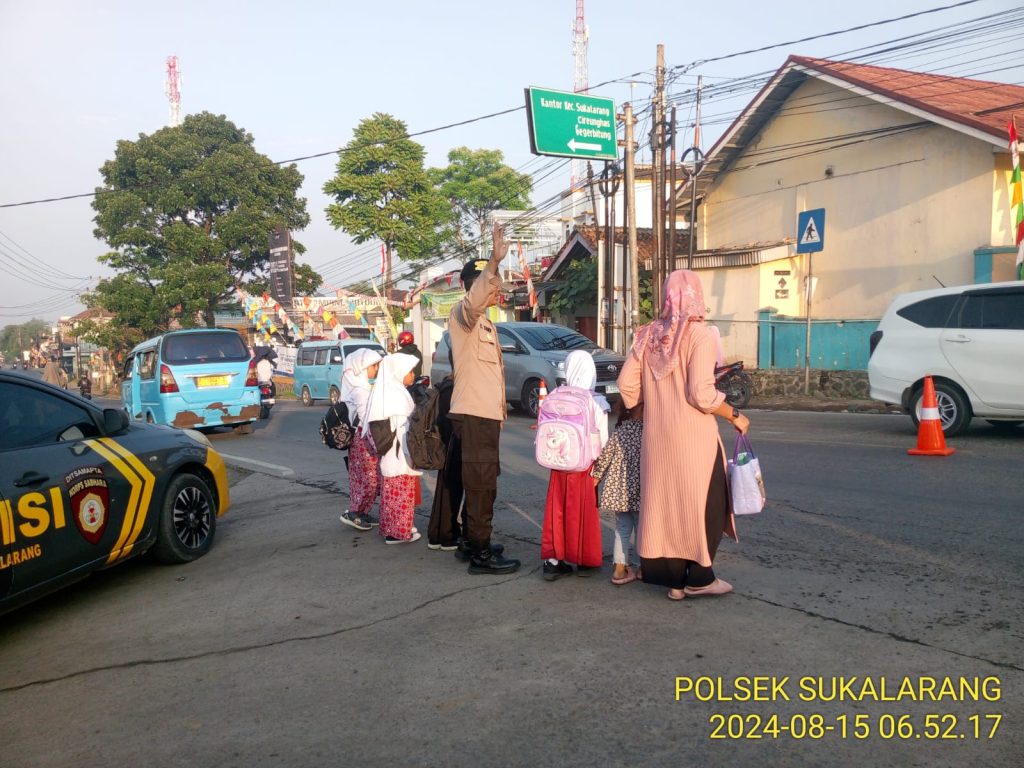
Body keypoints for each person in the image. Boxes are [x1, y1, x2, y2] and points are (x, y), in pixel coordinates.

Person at [617, 269, 750, 601]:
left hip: (657, 440)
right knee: (706, 506)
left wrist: (652, 409)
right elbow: (701, 394)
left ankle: (674, 582)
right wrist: (735, 415)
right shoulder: (700, 335)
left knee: (667, 507)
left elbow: (625, 385)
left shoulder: (647, 335)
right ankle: (701, 578)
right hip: (694, 441)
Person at [447, 223, 521, 575]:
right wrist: (493, 260)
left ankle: (469, 540)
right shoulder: (463, 316)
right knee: (481, 483)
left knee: (479, 480)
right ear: (472, 286)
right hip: (475, 416)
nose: (495, 292)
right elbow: (476, 298)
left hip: (484, 416)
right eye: (490, 286)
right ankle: (480, 552)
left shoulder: (486, 326)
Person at [538, 350, 609, 580]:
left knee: (556, 511)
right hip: (585, 467)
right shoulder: (595, 401)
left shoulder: (555, 395)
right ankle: (584, 559)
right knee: (582, 512)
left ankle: (552, 560)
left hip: (558, 463)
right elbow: (603, 439)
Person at [361, 353, 422, 544]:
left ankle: (390, 529)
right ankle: (399, 533)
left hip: (389, 453)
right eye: (409, 371)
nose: (413, 375)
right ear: (398, 372)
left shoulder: (385, 391)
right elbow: (404, 427)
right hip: (399, 453)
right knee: (401, 493)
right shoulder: (397, 395)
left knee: (391, 493)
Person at [592, 401, 644, 585]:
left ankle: (619, 569)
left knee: (622, 528)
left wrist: (596, 476)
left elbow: (605, 456)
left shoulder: (620, 431)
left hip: (619, 492)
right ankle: (641, 567)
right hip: (639, 491)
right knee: (641, 529)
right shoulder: (648, 433)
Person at [339, 348, 383, 531]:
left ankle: (362, 512)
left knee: (370, 478)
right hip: (363, 438)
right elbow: (366, 419)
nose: (376, 370)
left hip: (364, 436)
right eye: (374, 366)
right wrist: (376, 443)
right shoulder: (360, 389)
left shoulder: (362, 385)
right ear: (363, 367)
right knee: (367, 479)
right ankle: (354, 512)